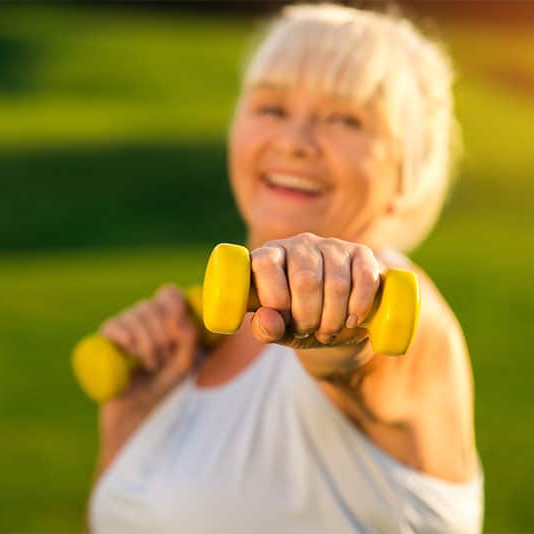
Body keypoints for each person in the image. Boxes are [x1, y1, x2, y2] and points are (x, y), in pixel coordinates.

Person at [89, 3, 482, 532]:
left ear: (407, 171)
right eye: (271, 108)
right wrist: (130, 422)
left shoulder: (401, 313)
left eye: (346, 119)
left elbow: (358, 357)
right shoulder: (190, 350)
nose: (294, 142)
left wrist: (343, 330)